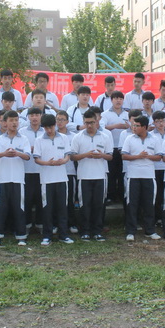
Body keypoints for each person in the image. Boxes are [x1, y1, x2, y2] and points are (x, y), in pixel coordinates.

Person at [70, 111, 113, 241]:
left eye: (92, 122)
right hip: (84, 176)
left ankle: (97, 231)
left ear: (97, 121)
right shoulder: (77, 137)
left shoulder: (105, 137)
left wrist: (101, 155)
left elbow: (110, 156)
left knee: (98, 204)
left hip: (100, 175)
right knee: (85, 204)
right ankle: (85, 231)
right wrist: (86, 155)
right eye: (87, 123)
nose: (89, 125)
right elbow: (72, 157)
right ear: (83, 122)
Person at [0, 110, 31, 246]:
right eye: (11, 120)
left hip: (18, 179)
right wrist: (4, 154)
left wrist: (17, 153)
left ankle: (21, 235)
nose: (14, 123)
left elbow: (27, 156)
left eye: (16, 120)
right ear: (5, 122)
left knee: (19, 207)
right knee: (0, 207)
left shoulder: (23, 138)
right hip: (2, 179)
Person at [33, 114, 74, 245]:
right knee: (47, 208)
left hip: (62, 178)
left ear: (55, 125)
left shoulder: (63, 138)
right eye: (46, 128)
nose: (49, 130)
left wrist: (63, 161)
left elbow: (68, 155)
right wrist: (47, 163)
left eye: (51, 127)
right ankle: (47, 235)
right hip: (46, 180)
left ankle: (63, 234)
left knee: (62, 208)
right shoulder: (39, 140)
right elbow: (36, 159)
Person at [121, 116, 163, 241]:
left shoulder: (154, 139)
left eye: (137, 126)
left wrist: (148, 156)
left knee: (149, 204)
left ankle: (150, 230)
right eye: (133, 125)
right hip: (133, 176)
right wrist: (138, 156)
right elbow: (124, 156)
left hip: (149, 176)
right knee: (132, 204)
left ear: (144, 127)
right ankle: (131, 231)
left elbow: (159, 157)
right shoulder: (129, 138)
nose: (134, 128)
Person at [19, 107, 44, 231]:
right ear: (28, 117)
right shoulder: (22, 132)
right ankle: (27, 224)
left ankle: (40, 224)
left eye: (37, 115)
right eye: (32, 115)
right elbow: (19, 148)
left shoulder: (45, 131)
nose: (34, 118)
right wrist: (29, 148)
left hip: (42, 170)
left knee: (41, 199)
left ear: (41, 116)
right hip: (26, 170)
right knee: (27, 199)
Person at [101, 91, 128, 203]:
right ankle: (111, 196)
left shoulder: (127, 114)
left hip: (124, 148)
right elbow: (102, 128)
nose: (118, 101)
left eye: (120, 99)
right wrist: (117, 126)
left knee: (122, 172)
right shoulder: (105, 114)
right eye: (116, 98)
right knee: (111, 173)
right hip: (111, 147)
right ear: (111, 100)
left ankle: (121, 196)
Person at [56, 110, 78, 234]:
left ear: (67, 121)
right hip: (55, 172)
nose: (60, 122)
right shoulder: (51, 135)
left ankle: (72, 223)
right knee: (56, 200)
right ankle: (56, 224)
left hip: (69, 172)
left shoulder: (73, 136)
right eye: (58, 119)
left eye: (62, 119)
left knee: (69, 199)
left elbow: (74, 154)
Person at [150, 110, 165, 224]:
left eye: (163, 121)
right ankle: (156, 217)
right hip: (155, 168)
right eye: (158, 121)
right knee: (156, 194)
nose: (161, 123)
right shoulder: (150, 135)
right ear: (153, 122)